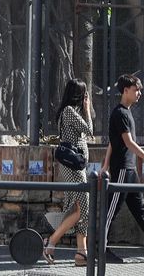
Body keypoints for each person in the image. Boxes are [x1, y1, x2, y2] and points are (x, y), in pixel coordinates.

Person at [99, 74, 144, 265]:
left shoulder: (126, 113)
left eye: (140, 91)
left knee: (140, 209)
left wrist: (104, 165)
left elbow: (114, 142)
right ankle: (102, 251)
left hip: (129, 170)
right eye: (136, 90)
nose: (139, 94)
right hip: (122, 170)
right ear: (126, 90)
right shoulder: (119, 113)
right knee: (110, 212)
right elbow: (128, 143)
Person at [43, 78, 91, 267]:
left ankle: (81, 254)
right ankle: (51, 242)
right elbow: (89, 130)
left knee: (80, 209)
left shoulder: (68, 111)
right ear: (79, 95)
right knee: (81, 208)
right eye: (84, 94)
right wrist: (87, 110)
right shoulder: (70, 111)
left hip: (76, 166)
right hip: (74, 167)